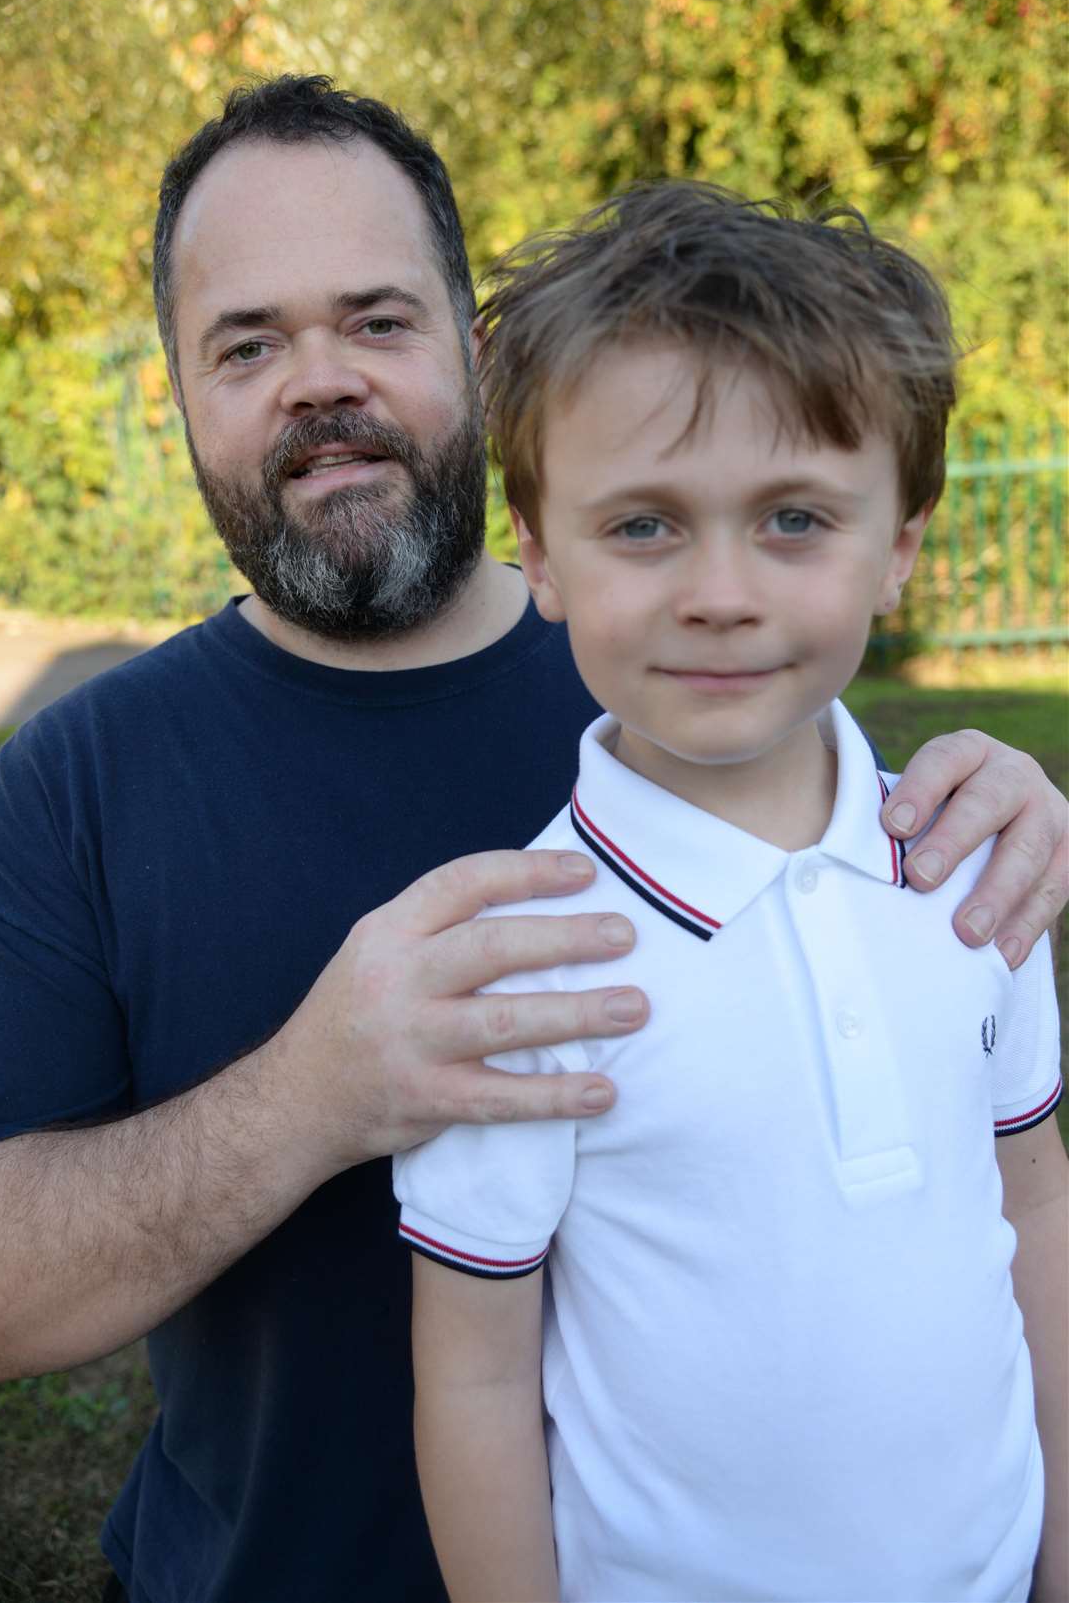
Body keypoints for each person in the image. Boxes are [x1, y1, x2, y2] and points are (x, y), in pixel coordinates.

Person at [0, 76, 1064, 1603]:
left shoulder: (687, 670)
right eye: (246, 344)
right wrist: (313, 1093)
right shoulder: (75, 778)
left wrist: (1003, 805)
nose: (318, 381)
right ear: (178, 390)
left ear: (473, 358)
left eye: (376, 318)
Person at [396, 182, 1069, 1602]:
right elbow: (472, 1376)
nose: (720, 590)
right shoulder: (523, 962)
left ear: (900, 542)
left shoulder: (973, 861)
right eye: (644, 525)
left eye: (794, 518)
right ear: (536, 542)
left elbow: (1035, 1208)